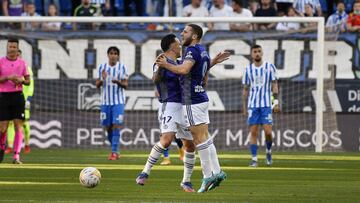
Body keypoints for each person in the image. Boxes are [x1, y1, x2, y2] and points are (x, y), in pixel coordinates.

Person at [156, 24, 230, 193]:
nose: (182, 34)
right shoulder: (202, 50)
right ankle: (218, 172)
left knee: (198, 140)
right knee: (206, 137)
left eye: (186, 31)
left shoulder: (190, 51)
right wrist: (213, 62)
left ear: (195, 36)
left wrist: (165, 64)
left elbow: (184, 69)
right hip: (201, 98)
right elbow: (201, 75)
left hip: (191, 101)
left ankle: (207, 175)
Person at [136, 34, 197, 192]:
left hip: (184, 107)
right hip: (168, 105)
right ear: (172, 46)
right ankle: (145, 172)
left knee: (190, 146)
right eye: (178, 43)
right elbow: (155, 79)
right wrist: (160, 69)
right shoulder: (161, 61)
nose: (180, 46)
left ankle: (186, 181)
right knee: (167, 139)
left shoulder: (181, 63)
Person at [242, 44, 280, 167]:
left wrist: (276, 103)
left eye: (259, 51)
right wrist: (244, 107)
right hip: (253, 105)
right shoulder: (248, 70)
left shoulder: (270, 67)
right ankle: (254, 159)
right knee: (253, 132)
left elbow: (275, 85)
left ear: (262, 53)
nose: (257, 53)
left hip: (266, 104)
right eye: (255, 51)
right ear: (251, 54)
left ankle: (268, 152)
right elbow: (245, 89)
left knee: (268, 132)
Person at [0, 38, 30, 164]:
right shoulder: (1, 62)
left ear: (17, 49)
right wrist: (8, 77)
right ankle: (1, 147)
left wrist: (21, 80)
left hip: (18, 96)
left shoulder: (22, 63)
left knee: (19, 126)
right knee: (3, 128)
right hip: (3, 96)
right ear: (7, 47)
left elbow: (28, 81)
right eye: (9, 46)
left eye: (14, 47)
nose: (11, 49)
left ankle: (16, 156)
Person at [95, 46, 128, 161]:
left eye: (115, 53)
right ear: (108, 55)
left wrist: (118, 82)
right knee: (107, 127)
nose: (113, 55)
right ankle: (116, 150)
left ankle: (114, 152)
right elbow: (97, 85)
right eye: (111, 53)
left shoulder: (122, 67)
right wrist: (102, 79)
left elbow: (126, 85)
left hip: (118, 101)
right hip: (105, 102)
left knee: (116, 125)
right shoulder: (102, 67)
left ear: (118, 56)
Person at [5, 49, 34, 155]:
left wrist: (29, 99)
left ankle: (26, 144)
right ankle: (10, 146)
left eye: (18, 55)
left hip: (23, 99)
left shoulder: (26, 69)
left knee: (24, 123)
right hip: (11, 98)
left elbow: (30, 85)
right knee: (11, 123)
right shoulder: (9, 69)